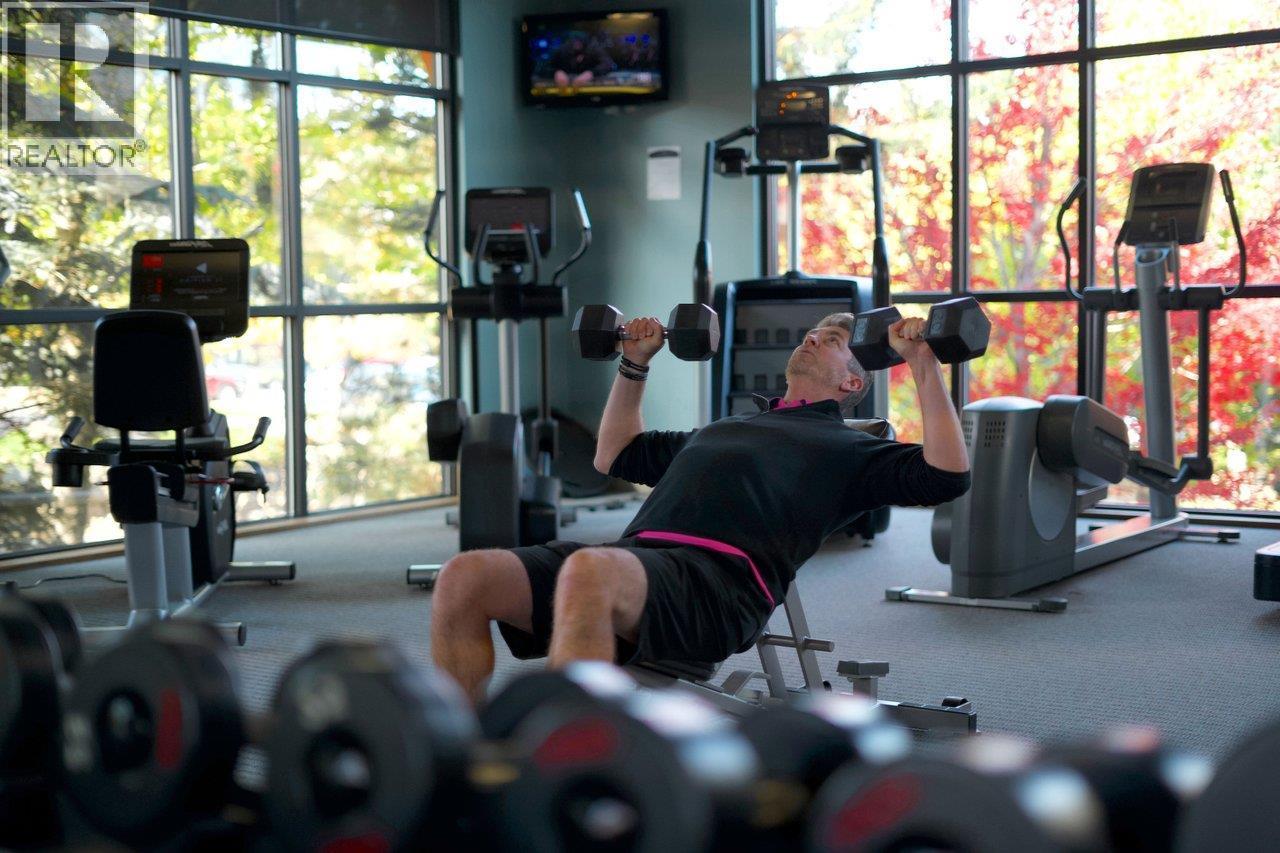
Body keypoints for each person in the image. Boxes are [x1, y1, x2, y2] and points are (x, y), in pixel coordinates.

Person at [430, 311, 971, 704]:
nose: (812, 338)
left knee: (590, 570)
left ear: (852, 381)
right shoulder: (725, 427)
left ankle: (563, 761)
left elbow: (946, 475)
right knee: (466, 575)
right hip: (636, 562)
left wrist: (921, 361)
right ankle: (458, 757)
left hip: (717, 587)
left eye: (832, 341)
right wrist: (634, 363)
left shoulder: (851, 448)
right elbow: (613, 454)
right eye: (813, 332)